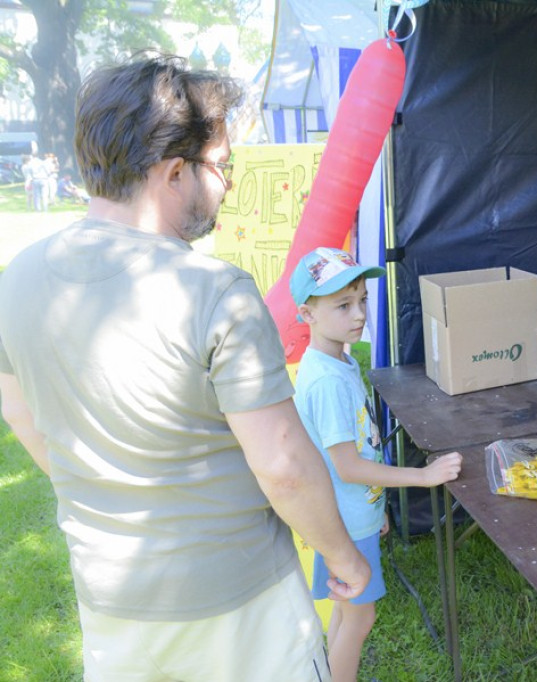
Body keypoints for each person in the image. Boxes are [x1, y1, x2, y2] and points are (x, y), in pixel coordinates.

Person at [0, 54, 371, 682]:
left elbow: (25, 417)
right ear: (175, 172)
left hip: (112, 601)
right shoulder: (215, 289)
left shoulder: (17, 280)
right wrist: (345, 557)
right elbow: (283, 465)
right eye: (223, 167)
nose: (227, 187)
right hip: (241, 605)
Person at [288, 246, 463, 682]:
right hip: (343, 525)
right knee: (360, 620)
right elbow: (347, 466)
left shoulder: (338, 362)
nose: (359, 314)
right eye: (343, 305)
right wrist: (422, 477)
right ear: (307, 315)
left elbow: (357, 454)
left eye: (362, 300)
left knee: (348, 613)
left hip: (351, 517)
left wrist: (377, 506)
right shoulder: (327, 380)